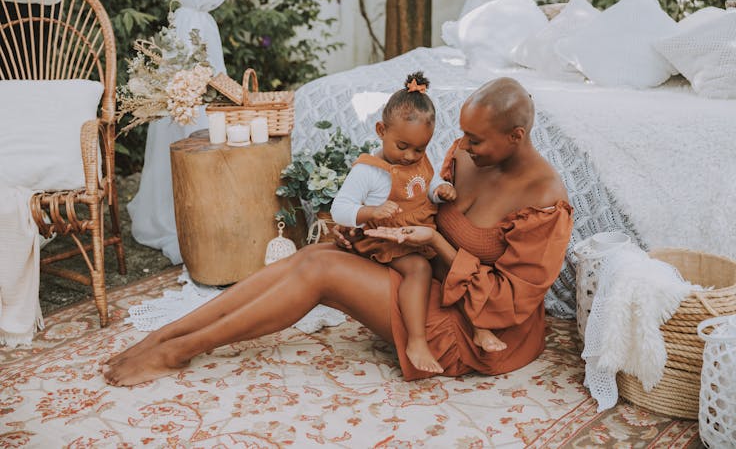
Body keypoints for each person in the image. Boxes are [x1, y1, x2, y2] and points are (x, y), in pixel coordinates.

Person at [103, 77, 573, 386]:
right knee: (313, 256)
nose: (463, 147)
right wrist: (376, 233)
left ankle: (179, 351)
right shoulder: (466, 153)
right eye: (463, 135)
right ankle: (168, 334)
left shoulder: (545, 201)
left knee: (322, 273)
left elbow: (509, 302)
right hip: (423, 279)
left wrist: (434, 243)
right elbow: (422, 205)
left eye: (475, 140)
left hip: (477, 328)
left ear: (516, 136)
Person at [331, 72, 486, 374]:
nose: (410, 156)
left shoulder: (418, 160)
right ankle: (416, 340)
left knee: (455, 267)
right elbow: (340, 208)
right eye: (402, 147)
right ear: (381, 130)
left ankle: (479, 325)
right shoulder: (369, 171)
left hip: (418, 235)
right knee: (420, 269)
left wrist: (440, 191)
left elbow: (424, 184)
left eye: (420, 149)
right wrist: (368, 213)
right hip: (386, 240)